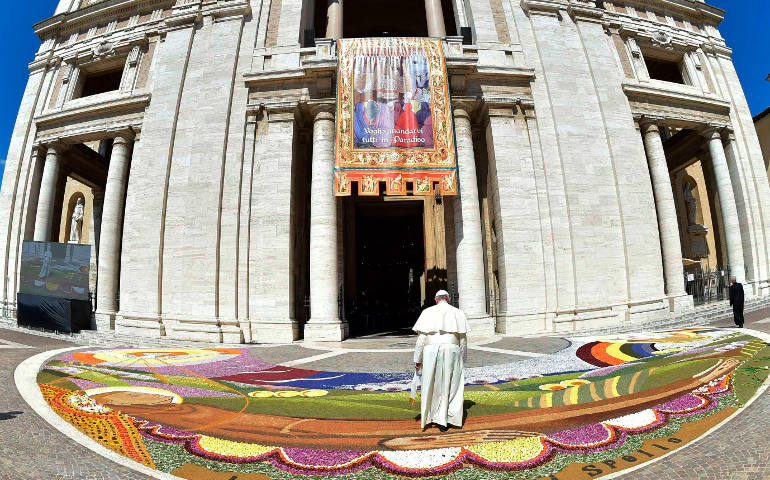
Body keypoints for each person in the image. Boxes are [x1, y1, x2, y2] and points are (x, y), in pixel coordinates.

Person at [413, 290, 468, 431]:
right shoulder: (458, 313)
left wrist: (417, 359)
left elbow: (421, 340)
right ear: (448, 299)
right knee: (452, 384)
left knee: (432, 383)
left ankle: (433, 417)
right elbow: (463, 340)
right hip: (452, 350)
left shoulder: (427, 312)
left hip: (430, 351)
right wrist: (463, 359)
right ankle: (449, 417)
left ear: (436, 299)